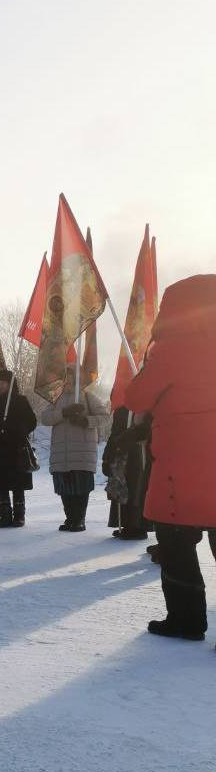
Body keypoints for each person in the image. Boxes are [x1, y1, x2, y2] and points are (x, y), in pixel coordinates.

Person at [124, 274, 216, 641]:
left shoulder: (172, 348)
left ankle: (187, 619)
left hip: (182, 463)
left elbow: (136, 399)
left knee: (175, 540)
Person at [39, 370, 106, 532]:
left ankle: (79, 520)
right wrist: (63, 413)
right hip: (61, 452)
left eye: (70, 377)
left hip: (82, 452)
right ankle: (70, 518)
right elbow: (45, 418)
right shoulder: (57, 398)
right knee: (65, 487)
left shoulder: (88, 397)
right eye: (65, 377)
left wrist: (85, 421)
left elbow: (104, 416)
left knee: (81, 487)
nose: (67, 380)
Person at [0, 370, 37, 528]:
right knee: (1, 484)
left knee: (18, 484)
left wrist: (17, 429)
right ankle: (4, 515)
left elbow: (32, 421)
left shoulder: (20, 401)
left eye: (4, 382)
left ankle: (19, 516)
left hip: (17, 449)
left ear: (11, 385)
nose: (0, 385)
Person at [103, 406, 151, 540]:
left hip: (140, 454)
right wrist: (107, 457)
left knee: (137, 488)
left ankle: (138, 526)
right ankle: (124, 523)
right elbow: (114, 434)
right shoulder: (122, 410)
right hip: (122, 455)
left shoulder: (147, 409)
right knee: (122, 488)